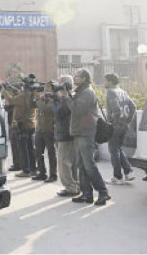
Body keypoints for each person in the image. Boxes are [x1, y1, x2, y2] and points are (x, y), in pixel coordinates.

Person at [64, 69, 111, 206]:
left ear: (84, 78)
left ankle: (103, 192)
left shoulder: (88, 92)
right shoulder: (80, 91)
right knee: (81, 165)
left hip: (86, 133)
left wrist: (66, 96)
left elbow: (77, 109)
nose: (74, 78)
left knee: (89, 165)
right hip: (79, 132)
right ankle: (87, 194)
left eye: (77, 76)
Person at [104, 73, 136, 184]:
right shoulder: (123, 91)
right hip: (124, 126)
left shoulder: (111, 92)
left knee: (113, 151)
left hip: (115, 126)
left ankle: (117, 177)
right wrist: (127, 121)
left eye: (105, 81)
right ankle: (128, 172)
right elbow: (133, 107)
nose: (104, 83)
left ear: (111, 82)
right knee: (118, 149)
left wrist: (112, 123)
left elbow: (116, 109)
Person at [2, 76, 37, 177]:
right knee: (31, 148)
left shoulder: (23, 97)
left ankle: (26, 170)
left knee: (23, 149)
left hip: (23, 125)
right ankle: (33, 169)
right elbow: (21, 97)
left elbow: (12, 100)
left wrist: (4, 92)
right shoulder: (31, 95)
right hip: (31, 124)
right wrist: (14, 89)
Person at [54, 75, 80, 196]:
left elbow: (58, 113)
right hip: (72, 133)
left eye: (60, 84)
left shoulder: (66, 99)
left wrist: (60, 98)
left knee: (64, 163)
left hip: (65, 134)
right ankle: (76, 185)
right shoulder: (74, 96)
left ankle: (70, 187)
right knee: (73, 162)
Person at [32, 82, 57, 182]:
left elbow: (45, 108)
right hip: (40, 129)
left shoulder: (54, 99)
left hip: (49, 130)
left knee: (51, 153)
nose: (45, 89)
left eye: (48, 87)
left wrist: (38, 98)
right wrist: (36, 97)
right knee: (38, 153)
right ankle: (42, 173)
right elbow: (33, 105)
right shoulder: (43, 99)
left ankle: (53, 174)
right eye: (45, 87)